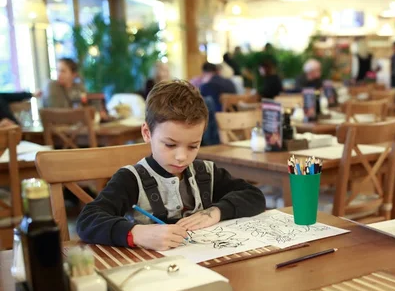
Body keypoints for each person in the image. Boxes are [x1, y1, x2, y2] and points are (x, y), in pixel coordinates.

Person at [76, 80, 266, 250]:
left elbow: (254, 196)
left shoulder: (205, 173)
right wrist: (136, 233)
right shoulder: (131, 179)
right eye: (170, 144)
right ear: (147, 133)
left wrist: (217, 211)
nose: (181, 157)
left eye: (193, 146)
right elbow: (87, 220)